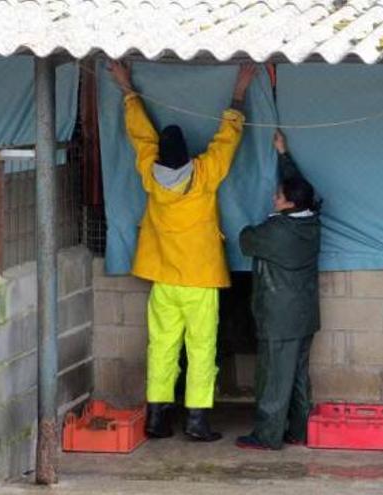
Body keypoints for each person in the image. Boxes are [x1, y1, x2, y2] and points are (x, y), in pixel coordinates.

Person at [107, 60, 257, 442]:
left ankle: (157, 420)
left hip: (164, 282)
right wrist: (239, 91)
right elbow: (228, 139)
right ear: (187, 157)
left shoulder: (149, 174)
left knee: (162, 349)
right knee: (201, 350)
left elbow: (139, 136)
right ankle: (196, 422)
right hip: (200, 282)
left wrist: (127, 89)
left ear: (159, 157)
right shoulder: (203, 175)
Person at [235, 130, 321, 450]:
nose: (274, 198)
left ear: (288, 204)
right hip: (303, 316)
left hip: (279, 319)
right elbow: (300, 187)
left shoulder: (277, 231)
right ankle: (298, 430)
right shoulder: (311, 221)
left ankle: (267, 435)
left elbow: (246, 239)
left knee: (273, 378)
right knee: (297, 377)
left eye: (278, 196)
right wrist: (283, 155)